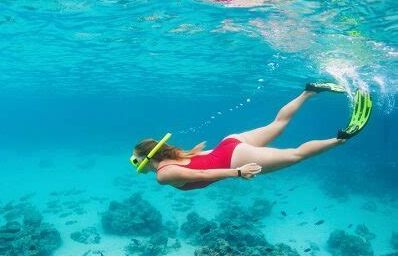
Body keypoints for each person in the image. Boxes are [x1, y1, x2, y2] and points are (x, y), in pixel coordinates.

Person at [130, 83, 371, 191]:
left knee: (295, 155)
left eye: (136, 160)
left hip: (236, 159)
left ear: (146, 159)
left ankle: (343, 137)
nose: (137, 164)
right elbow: (203, 161)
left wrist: (238, 172)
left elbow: (202, 173)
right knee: (277, 124)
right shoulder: (175, 156)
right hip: (230, 145)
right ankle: (309, 91)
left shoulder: (163, 175)